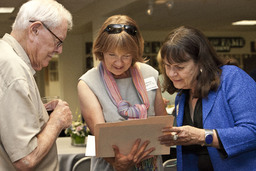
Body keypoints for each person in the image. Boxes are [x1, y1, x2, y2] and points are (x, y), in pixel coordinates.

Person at [158, 26, 256, 171]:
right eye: (167, 66)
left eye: (179, 67)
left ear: (200, 63)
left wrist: (203, 136)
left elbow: (252, 132)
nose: (171, 73)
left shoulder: (232, 78)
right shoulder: (182, 95)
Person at [78, 15, 167, 171]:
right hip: (110, 166)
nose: (119, 63)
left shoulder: (150, 74)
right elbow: (100, 137)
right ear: (101, 50)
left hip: (151, 164)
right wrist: (117, 163)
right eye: (112, 55)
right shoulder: (88, 83)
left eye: (126, 56)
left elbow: (163, 124)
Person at [0, 0, 73, 170]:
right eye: (58, 41)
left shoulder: (7, 58)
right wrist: (57, 121)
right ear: (35, 30)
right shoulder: (13, 69)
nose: (59, 50)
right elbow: (25, 159)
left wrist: (39, 114)